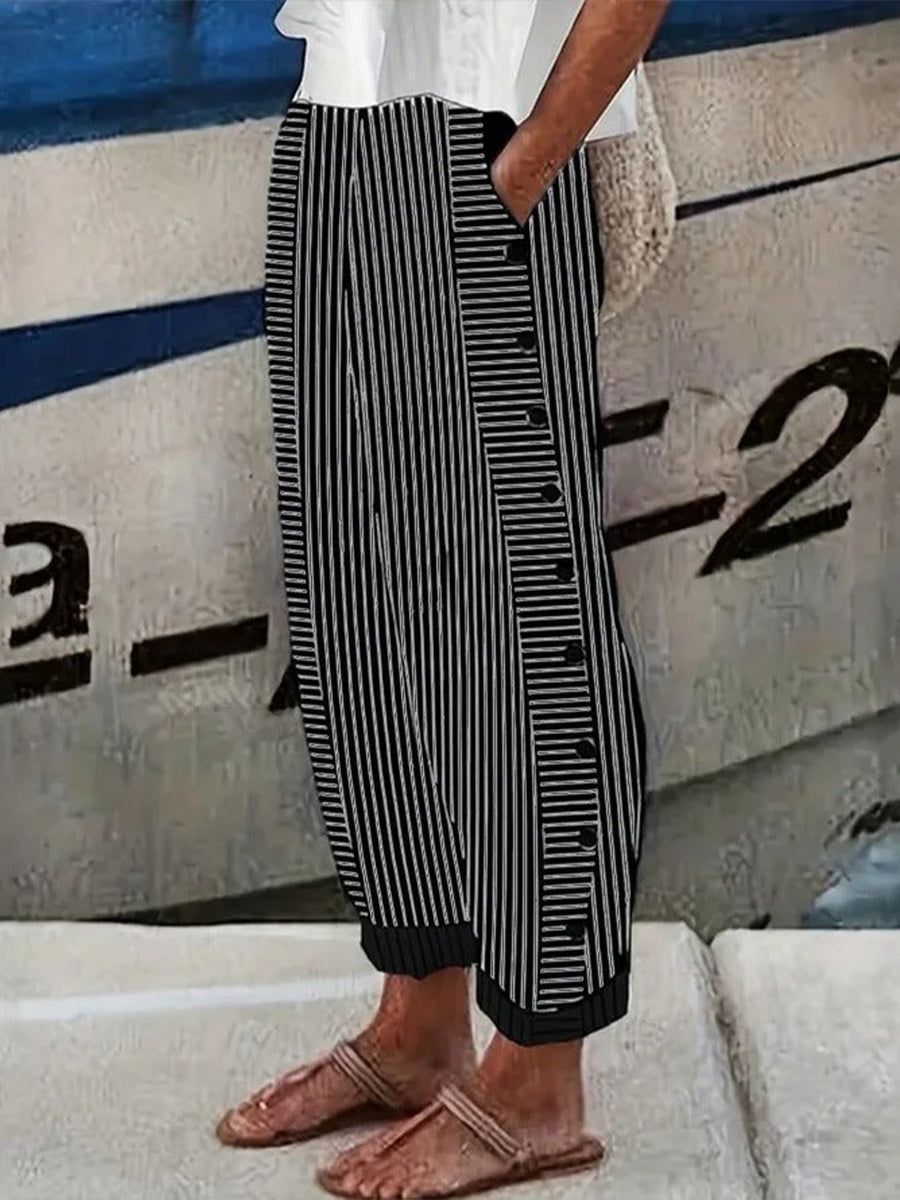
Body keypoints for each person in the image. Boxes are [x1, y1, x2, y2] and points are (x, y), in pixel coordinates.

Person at [217, 1, 668, 1196]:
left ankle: (540, 1078)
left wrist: (521, 173)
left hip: (496, 129)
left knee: (514, 605)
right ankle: (420, 1024)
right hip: (337, 117)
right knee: (354, 588)